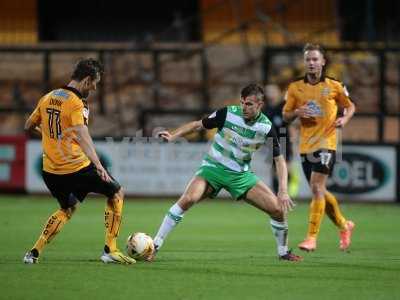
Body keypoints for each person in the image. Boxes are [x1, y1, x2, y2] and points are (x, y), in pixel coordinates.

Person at [151, 83, 302, 262]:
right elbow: (198, 125)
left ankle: (283, 252)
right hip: (212, 168)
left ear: (260, 105)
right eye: (242, 103)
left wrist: (283, 190)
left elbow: (280, 160)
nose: (244, 107)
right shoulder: (227, 113)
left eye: (249, 104)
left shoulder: (266, 127)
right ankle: (154, 246)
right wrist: (173, 135)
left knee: (277, 210)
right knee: (188, 199)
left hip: (240, 176)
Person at [23, 58, 135, 264]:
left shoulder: (47, 97)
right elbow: (83, 135)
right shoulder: (77, 103)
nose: (94, 88)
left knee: (67, 209)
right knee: (117, 192)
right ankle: (110, 249)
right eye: (94, 83)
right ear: (86, 80)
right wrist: (99, 166)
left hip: (51, 171)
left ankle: (34, 252)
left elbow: (28, 125)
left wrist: (49, 136)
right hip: (76, 167)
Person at [282, 43, 356, 252]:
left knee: (316, 188)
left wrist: (345, 119)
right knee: (320, 190)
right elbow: (284, 116)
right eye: (308, 60)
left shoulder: (335, 85)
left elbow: (350, 106)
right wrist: (297, 112)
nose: (311, 63)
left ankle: (311, 238)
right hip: (306, 146)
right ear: (304, 63)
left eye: (315, 59)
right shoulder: (295, 87)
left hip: (328, 142)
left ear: (323, 62)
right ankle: (344, 225)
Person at [263, 84, 299, 197]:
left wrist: (294, 138)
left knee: (285, 167)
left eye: (272, 91)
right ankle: (276, 194)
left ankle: (286, 193)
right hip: (271, 142)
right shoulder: (265, 109)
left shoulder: (283, 106)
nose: (270, 94)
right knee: (274, 169)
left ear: (278, 93)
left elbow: (293, 123)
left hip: (284, 140)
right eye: (268, 92)